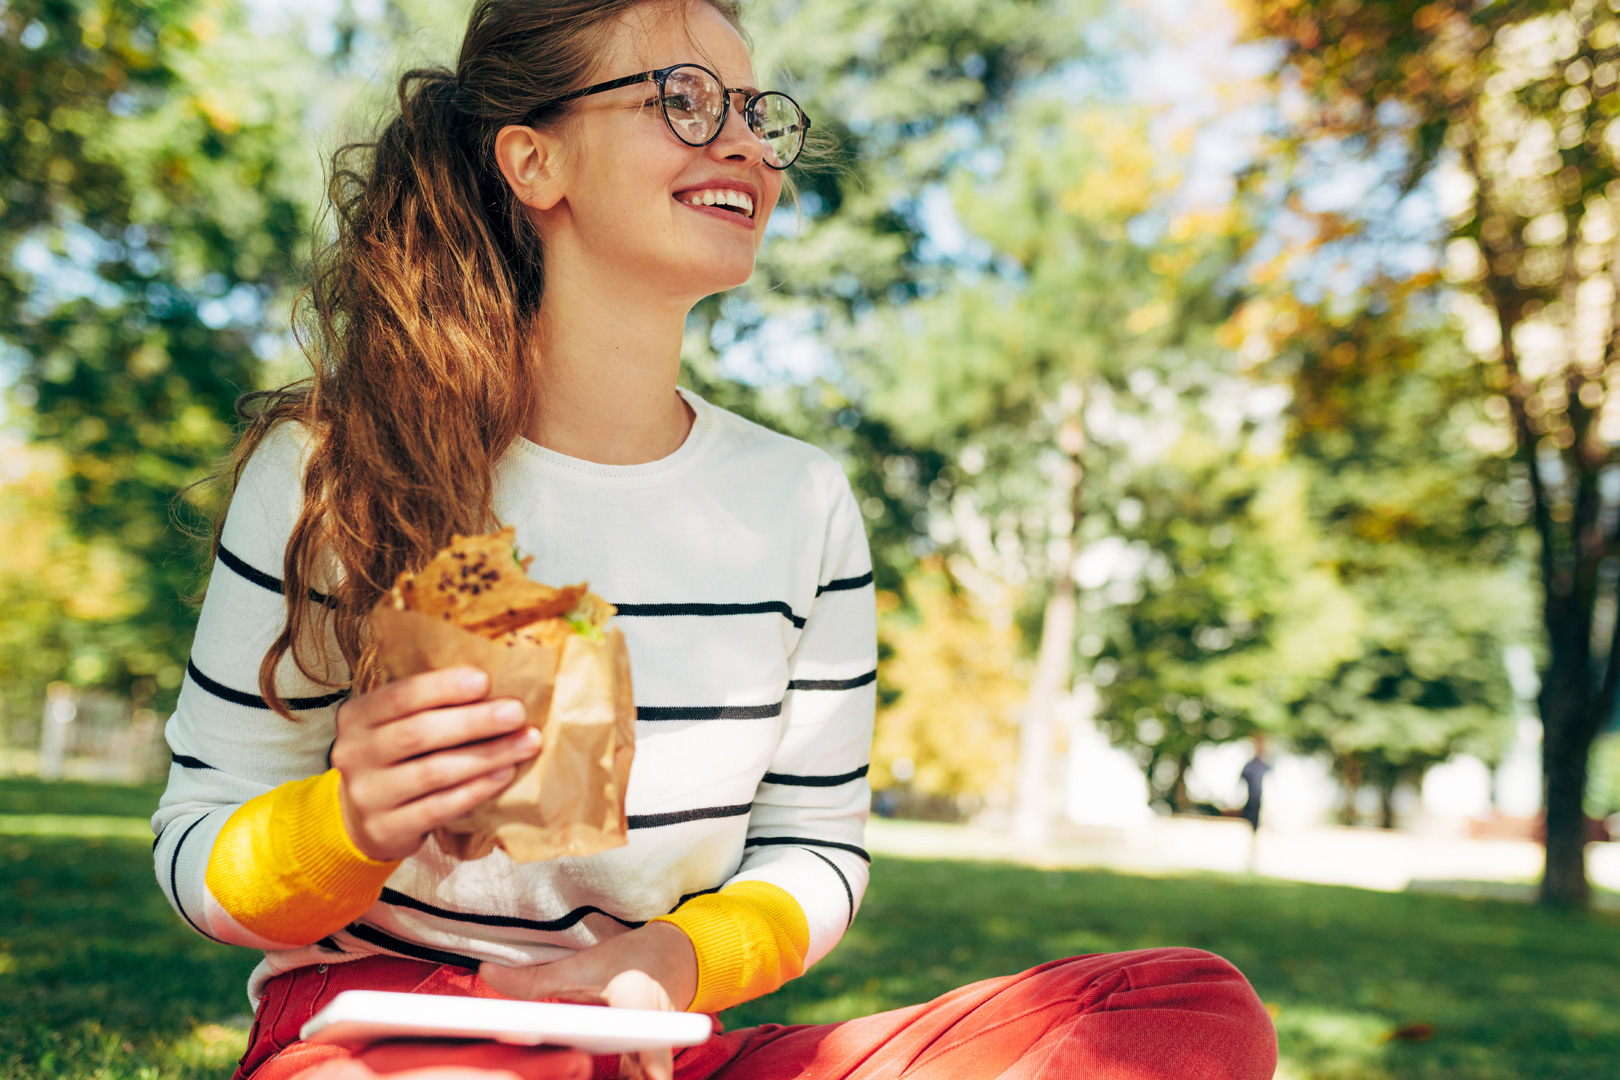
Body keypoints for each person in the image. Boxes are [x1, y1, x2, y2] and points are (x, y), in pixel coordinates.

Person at [152, 2, 1279, 1078]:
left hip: (656, 1044)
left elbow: (816, 851)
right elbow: (199, 851)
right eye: (684, 101)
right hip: (393, 1036)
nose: (745, 143)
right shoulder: (333, 463)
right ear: (533, 161)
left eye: (757, 112)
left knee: (1186, 1013)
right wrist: (345, 822)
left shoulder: (801, 501)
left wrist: (674, 961)